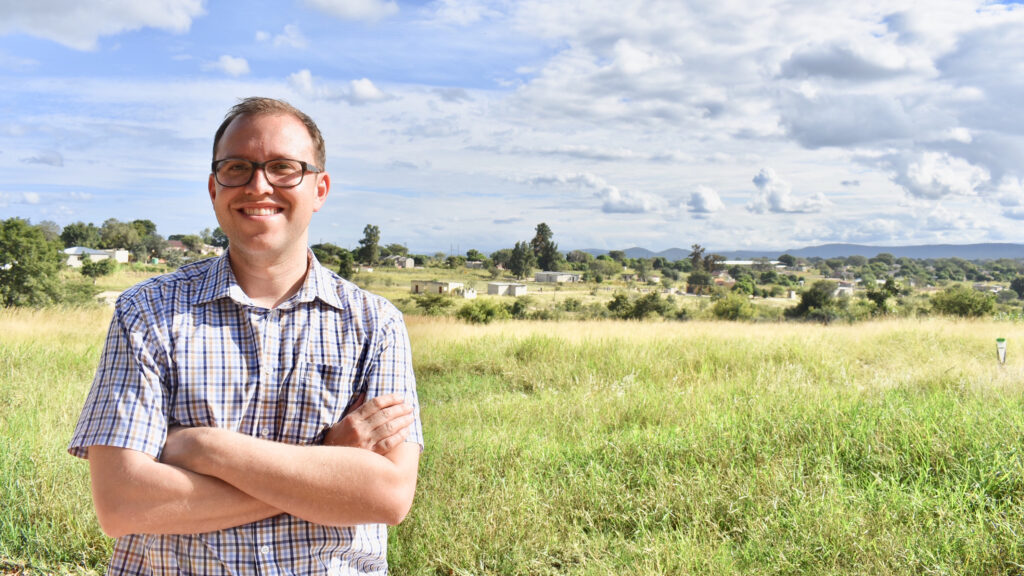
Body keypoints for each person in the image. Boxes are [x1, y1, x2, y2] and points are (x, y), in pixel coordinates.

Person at [68, 97, 422, 575]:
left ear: (320, 188)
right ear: (214, 188)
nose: (259, 185)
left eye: (283, 167)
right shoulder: (146, 313)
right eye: (238, 167)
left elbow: (387, 496)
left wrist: (204, 449)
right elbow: (123, 503)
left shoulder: (375, 324)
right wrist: (325, 467)